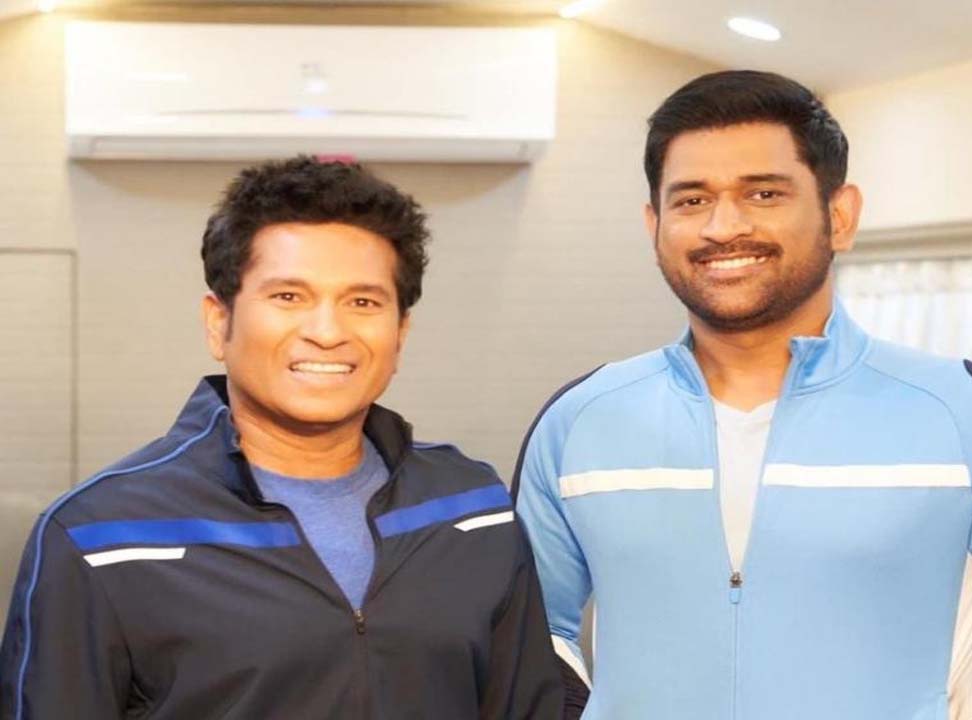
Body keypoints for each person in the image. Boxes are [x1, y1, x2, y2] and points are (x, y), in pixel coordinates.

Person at [514, 70, 972, 720]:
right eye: (691, 200)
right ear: (654, 224)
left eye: (764, 193)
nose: (723, 226)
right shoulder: (577, 422)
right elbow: (528, 639)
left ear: (840, 216)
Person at [1, 156, 562, 719]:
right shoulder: (99, 535)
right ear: (218, 323)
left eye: (363, 302)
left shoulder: (471, 508)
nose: (327, 332)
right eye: (288, 297)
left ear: (400, 333)